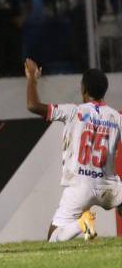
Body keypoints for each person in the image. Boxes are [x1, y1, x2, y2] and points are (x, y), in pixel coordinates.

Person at [24, 60, 120, 242]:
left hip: (80, 186)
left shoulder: (72, 112)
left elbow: (33, 105)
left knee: (53, 238)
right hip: (109, 185)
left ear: (83, 90)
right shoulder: (117, 117)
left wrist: (32, 79)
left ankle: (81, 224)